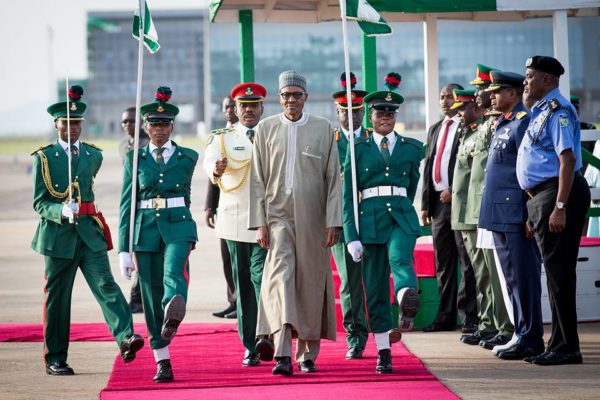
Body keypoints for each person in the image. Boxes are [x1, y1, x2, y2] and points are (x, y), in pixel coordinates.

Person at [32, 86, 143, 376]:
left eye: (78, 122)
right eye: (67, 123)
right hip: (58, 238)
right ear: (56, 124)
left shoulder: (94, 155)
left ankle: (126, 337)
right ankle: (55, 357)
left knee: (106, 285)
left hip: (89, 233)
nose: (73, 128)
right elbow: (39, 203)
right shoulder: (44, 158)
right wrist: (59, 210)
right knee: (58, 299)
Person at [249, 70, 341, 376]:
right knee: (280, 277)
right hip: (277, 217)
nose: (291, 100)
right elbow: (257, 180)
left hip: (314, 218)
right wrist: (259, 222)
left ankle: (307, 354)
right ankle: (282, 352)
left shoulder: (323, 128)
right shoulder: (265, 129)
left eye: (297, 95)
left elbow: (333, 180)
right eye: (286, 95)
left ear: (306, 97)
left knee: (310, 283)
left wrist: (333, 221)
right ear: (279, 98)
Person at [118, 86, 199, 382]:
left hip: (178, 224)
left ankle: (173, 306)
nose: (159, 129)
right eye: (153, 124)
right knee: (150, 295)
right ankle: (162, 360)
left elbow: (187, 196)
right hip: (145, 228)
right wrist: (123, 248)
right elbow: (127, 202)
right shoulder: (135, 159)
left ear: (172, 126)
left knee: (174, 270)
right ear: (145, 126)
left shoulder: (188, 156)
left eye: (164, 124)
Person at [343, 73, 423, 373]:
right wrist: (351, 236)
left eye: (390, 113)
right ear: (370, 116)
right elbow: (349, 197)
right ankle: (383, 350)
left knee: (400, 258)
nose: (385, 117)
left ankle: (405, 297)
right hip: (369, 219)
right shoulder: (356, 148)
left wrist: (401, 203)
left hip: (400, 215)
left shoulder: (412, 148)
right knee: (374, 287)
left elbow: (412, 185)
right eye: (380, 113)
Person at [517, 56, 591, 365]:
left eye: (531, 77)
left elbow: (568, 161)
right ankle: (558, 343)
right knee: (556, 274)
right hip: (542, 197)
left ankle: (567, 348)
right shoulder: (539, 112)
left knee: (560, 275)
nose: (526, 82)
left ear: (549, 80)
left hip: (558, 194)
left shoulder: (559, 111)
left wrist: (559, 206)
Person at [479, 70, 545, 361]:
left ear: (513, 94)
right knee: (511, 278)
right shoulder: (502, 122)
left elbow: (529, 172)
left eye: (498, 90)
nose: (491, 95)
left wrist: (529, 212)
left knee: (525, 275)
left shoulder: (524, 122)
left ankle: (531, 338)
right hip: (498, 211)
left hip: (516, 212)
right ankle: (520, 332)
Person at [203, 82, 268, 367]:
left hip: (266, 223)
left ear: (262, 108)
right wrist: (215, 169)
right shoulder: (222, 139)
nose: (249, 110)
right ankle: (249, 346)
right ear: (236, 109)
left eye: (254, 106)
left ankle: (266, 335)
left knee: (263, 280)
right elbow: (210, 163)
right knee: (242, 286)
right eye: (244, 106)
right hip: (235, 222)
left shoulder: (272, 134)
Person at [464, 65, 515, 353]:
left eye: (485, 89)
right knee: (487, 274)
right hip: (483, 208)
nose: (480, 94)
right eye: (484, 90)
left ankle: (506, 327)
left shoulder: (502, 123)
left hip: (498, 208)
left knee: (499, 273)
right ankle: (496, 325)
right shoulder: (485, 126)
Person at [421, 84, 478, 333]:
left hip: (459, 201)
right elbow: (428, 167)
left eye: (450, 97)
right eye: (442, 96)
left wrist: (453, 189)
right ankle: (445, 316)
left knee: (465, 261)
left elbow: (470, 165)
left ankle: (469, 318)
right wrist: (424, 205)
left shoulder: (467, 126)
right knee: (443, 263)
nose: (445, 101)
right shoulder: (435, 128)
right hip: (437, 204)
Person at [448, 88, 501, 346]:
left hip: (476, 211)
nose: (458, 113)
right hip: (463, 212)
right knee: (479, 273)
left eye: (463, 108)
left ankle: (492, 324)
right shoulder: (467, 132)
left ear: (478, 108)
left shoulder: (484, 130)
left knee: (485, 272)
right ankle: (486, 323)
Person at [330, 72, 370, 360]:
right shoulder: (328, 141)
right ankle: (355, 335)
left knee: (375, 279)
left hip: (372, 218)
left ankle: (381, 331)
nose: (352, 116)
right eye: (346, 111)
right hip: (341, 221)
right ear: (338, 112)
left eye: (357, 110)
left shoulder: (372, 140)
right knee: (348, 282)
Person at [206, 96, 239, 319]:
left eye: (232, 107)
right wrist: (209, 206)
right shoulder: (219, 136)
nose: (229, 111)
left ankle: (240, 303)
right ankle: (232, 300)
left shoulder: (246, 135)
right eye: (225, 107)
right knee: (226, 256)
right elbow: (213, 174)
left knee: (238, 258)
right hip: (223, 206)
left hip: (241, 205)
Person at [118, 106, 150, 314]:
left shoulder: (147, 145)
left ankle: (138, 298)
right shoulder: (125, 146)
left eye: (132, 121)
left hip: (146, 207)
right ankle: (138, 298)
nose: (128, 125)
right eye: (124, 122)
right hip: (132, 204)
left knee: (141, 257)